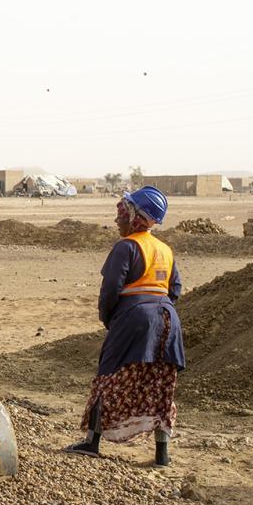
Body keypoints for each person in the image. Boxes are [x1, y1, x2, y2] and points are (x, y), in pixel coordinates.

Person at [65, 186, 184, 467]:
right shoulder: (165, 249)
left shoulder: (127, 247)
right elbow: (174, 289)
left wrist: (111, 319)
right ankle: (161, 454)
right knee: (160, 381)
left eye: (122, 213)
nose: (118, 219)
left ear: (135, 216)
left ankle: (92, 442)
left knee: (108, 376)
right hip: (168, 318)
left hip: (134, 316)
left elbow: (110, 290)